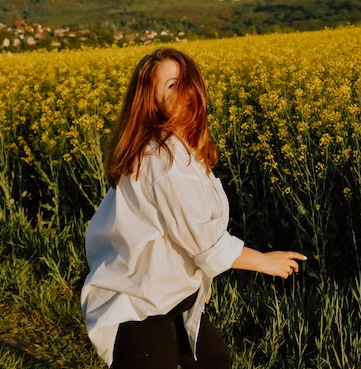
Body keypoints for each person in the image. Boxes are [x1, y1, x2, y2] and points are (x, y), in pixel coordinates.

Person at [80, 47, 306, 369]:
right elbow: (204, 241)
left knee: (213, 359)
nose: (183, 90)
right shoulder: (163, 161)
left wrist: (200, 282)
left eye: (185, 81)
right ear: (151, 101)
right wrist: (265, 262)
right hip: (139, 306)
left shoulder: (180, 147)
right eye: (171, 85)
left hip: (172, 296)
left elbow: (179, 233)